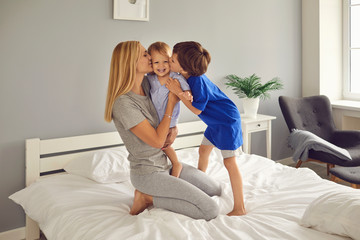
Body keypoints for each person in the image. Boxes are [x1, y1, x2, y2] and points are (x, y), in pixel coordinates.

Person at [104, 41, 221, 220]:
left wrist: (175, 126)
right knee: (210, 209)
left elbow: (174, 81)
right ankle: (146, 197)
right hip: (148, 173)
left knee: (214, 189)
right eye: (144, 54)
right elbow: (158, 141)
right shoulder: (123, 104)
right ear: (130, 62)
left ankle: (164, 190)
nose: (150, 57)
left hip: (165, 163)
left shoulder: (147, 85)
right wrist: (172, 103)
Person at [165, 41, 246, 216]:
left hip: (226, 121)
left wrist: (178, 92)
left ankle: (240, 207)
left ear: (184, 66)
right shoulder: (186, 77)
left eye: (172, 60)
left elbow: (196, 109)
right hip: (215, 122)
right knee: (203, 151)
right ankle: (201, 183)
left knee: (229, 162)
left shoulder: (197, 80)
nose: (169, 61)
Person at [147, 41, 191, 177]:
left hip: (170, 121)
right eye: (156, 63)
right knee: (157, 145)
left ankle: (176, 163)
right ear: (151, 64)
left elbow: (185, 88)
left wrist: (186, 93)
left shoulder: (175, 77)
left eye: (165, 61)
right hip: (155, 122)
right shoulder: (149, 78)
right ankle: (163, 166)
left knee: (164, 144)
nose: (161, 66)